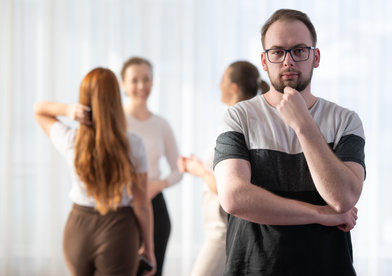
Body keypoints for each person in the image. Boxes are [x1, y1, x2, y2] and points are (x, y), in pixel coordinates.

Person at [213, 9, 365, 275]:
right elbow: (234, 197)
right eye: (277, 52)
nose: (287, 61)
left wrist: (304, 126)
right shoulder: (238, 117)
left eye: (299, 51)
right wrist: (319, 213)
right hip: (253, 269)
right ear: (264, 60)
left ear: (315, 57)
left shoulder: (345, 121)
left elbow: (343, 198)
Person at [33, 67, 156, 276]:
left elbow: (39, 110)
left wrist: (68, 110)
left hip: (78, 230)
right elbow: (141, 204)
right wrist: (150, 250)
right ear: (116, 101)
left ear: (84, 101)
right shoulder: (133, 145)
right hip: (119, 230)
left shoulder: (71, 140)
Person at [178, 61, 269, 276]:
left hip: (224, 232)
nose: (218, 85)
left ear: (234, 88)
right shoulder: (234, 122)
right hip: (217, 230)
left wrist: (199, 170)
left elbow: (232, 188)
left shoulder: (243, 126)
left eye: (222, 80)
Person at [121, 56, 183, 276]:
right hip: (123, 208)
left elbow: (178, 169)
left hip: (155, 208)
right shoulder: (116, 122)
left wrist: (158, 185)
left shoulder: (160, 124)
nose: (141, 86)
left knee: (152, 271)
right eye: (135, 80)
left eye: (146, 79)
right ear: (123, 84)